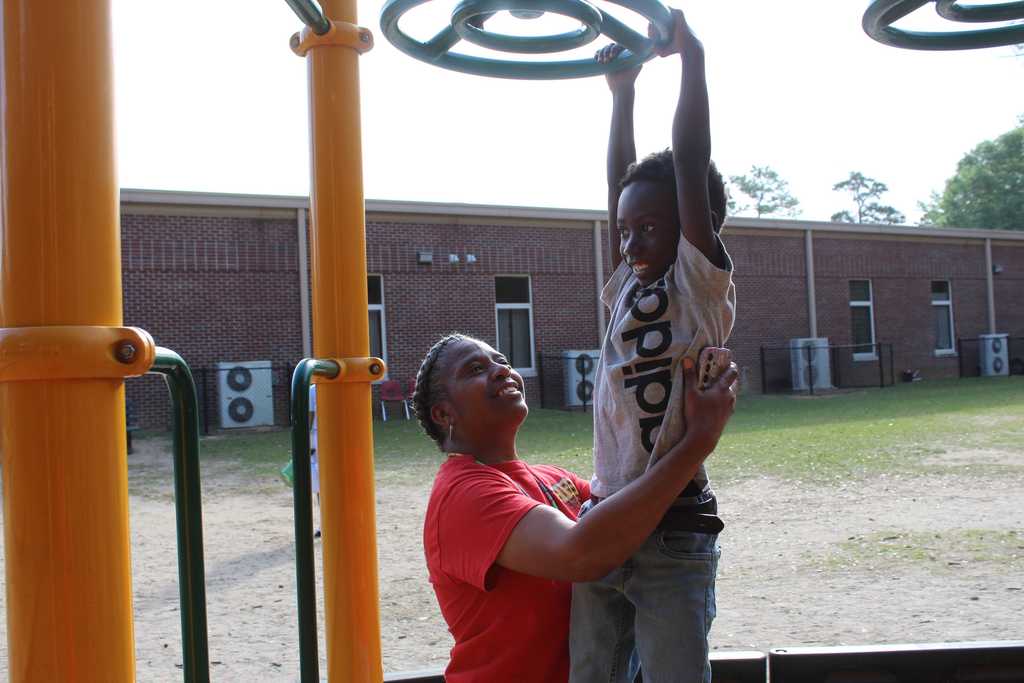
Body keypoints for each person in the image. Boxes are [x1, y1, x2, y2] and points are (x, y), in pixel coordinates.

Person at [413, 333, 738, 683]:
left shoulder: (553, 478)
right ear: (443, 413)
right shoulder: (462, 494)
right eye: (476, 369)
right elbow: (583, 554)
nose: (501, 370)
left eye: (502, 361)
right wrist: (698, 440)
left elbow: (638, 517)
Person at [569, 9, 737, 683]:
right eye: (624, 230)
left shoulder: (697, 284)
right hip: (604, 517)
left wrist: (691, 58)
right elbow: (620, 184)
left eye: (648, 227)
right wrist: (623, 93)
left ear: (694, 225)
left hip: (674, 525)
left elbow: (688, 164)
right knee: (592, 673)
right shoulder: (625, 288)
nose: (631, 241)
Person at [309, 383, 321, 538]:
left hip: (318, 438)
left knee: (321, 486)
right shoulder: (312, 390)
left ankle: (324, 524)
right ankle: (324, 524)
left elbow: (309, 417)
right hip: (319, 437)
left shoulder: (312, 390)